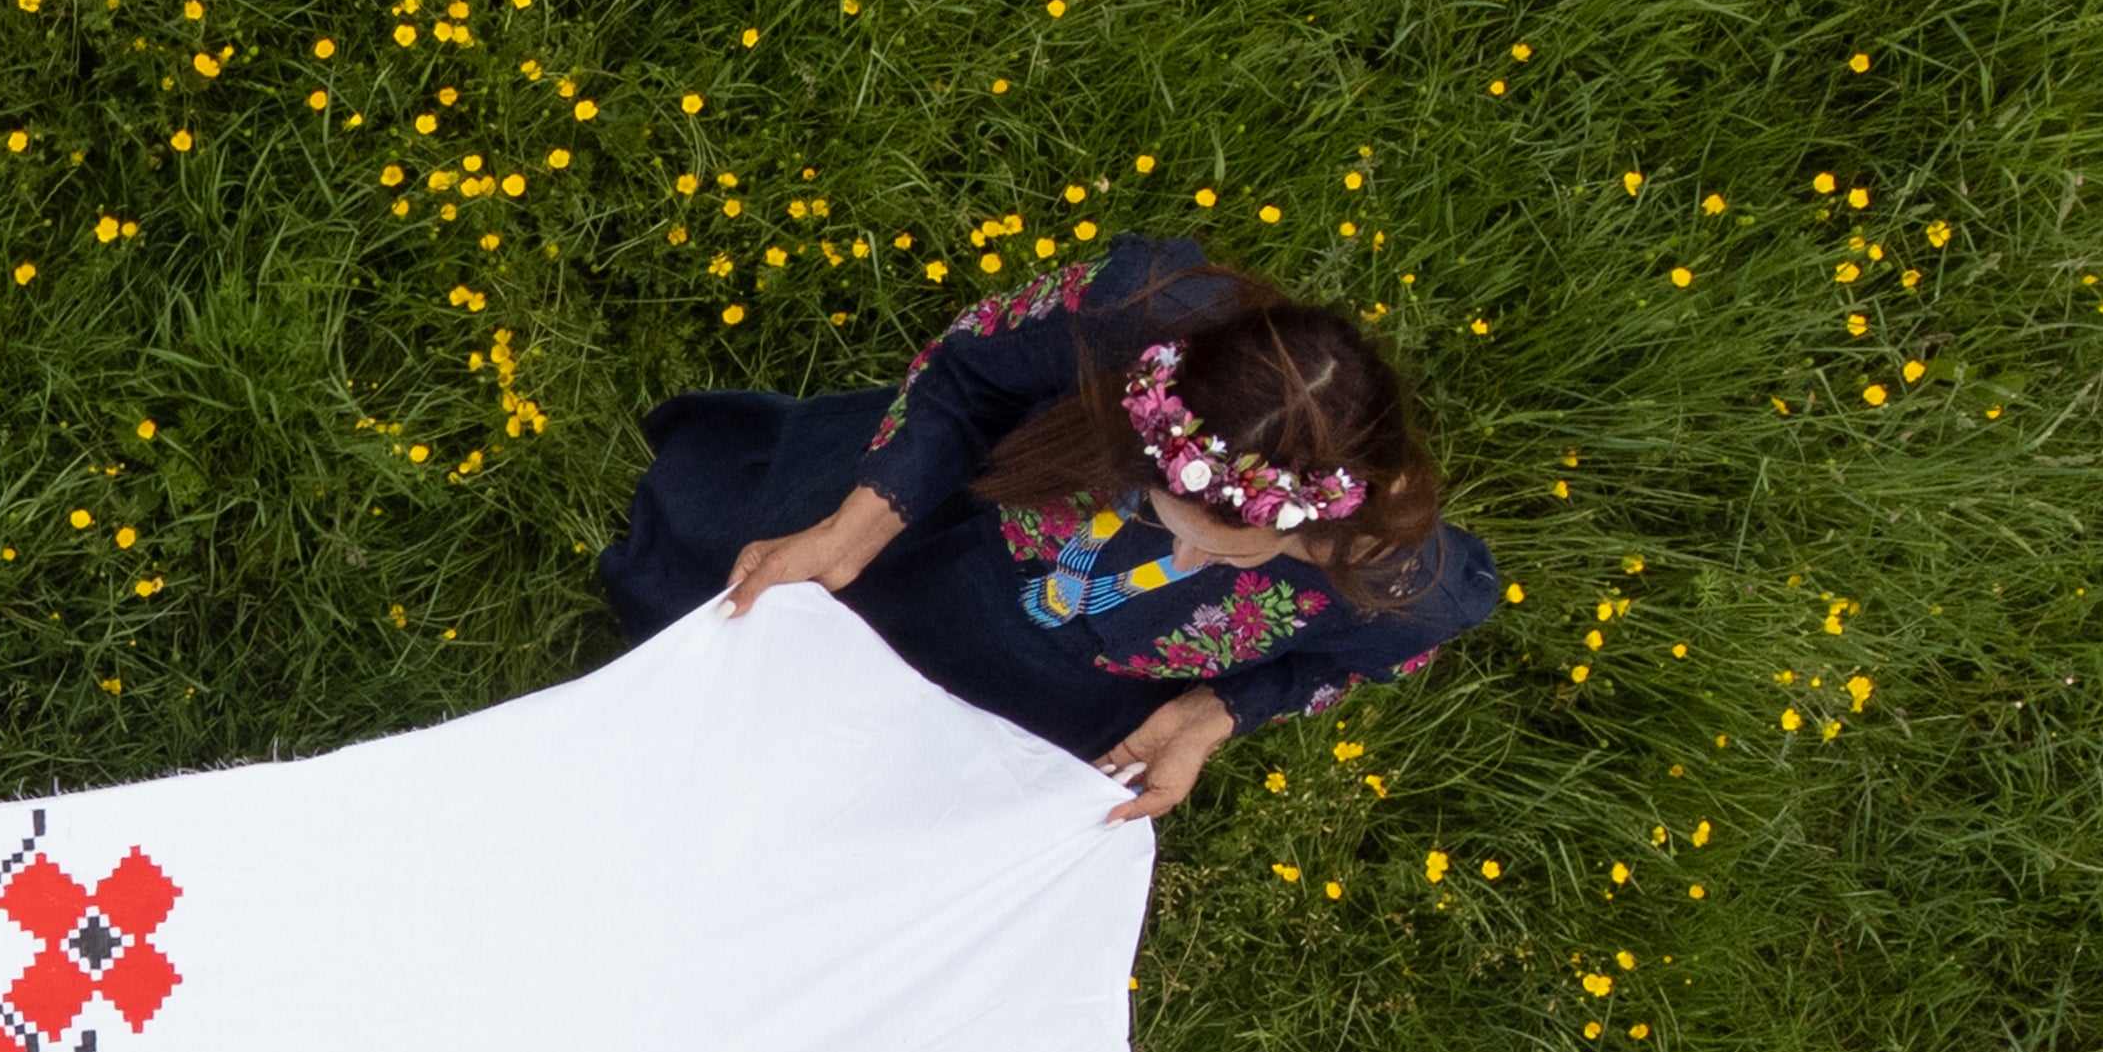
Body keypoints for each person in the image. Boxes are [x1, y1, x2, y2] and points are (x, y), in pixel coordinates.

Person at [595, 230, 1497, 821]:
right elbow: (963, 378)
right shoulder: (1128, 312)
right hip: (938, 543)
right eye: (1162, 501)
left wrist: (1213, 713)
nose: (1181, 548)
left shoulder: (1401, 582)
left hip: (1049, 699)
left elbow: (1344, 664)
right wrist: (859, 525)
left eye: (1225, 549)